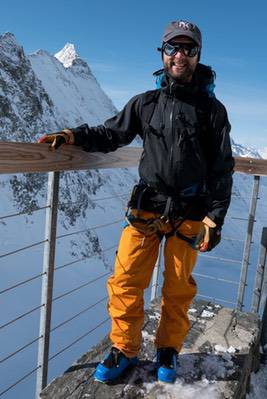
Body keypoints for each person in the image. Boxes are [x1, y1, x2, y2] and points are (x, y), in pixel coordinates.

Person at [38, 20, 234, 383]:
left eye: (188, 49)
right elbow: (112, 133)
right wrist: (73, 135)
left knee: (177, 288)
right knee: (126, 281)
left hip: (190, 213)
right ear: (162, 53)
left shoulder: (213, 111)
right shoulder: (146, 104)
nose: (180, 55)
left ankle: (167, 350)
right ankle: (124, 349)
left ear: (197, 56)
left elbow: (222, 168)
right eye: (173, 47)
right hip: (147, 208)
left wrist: (215, 218)